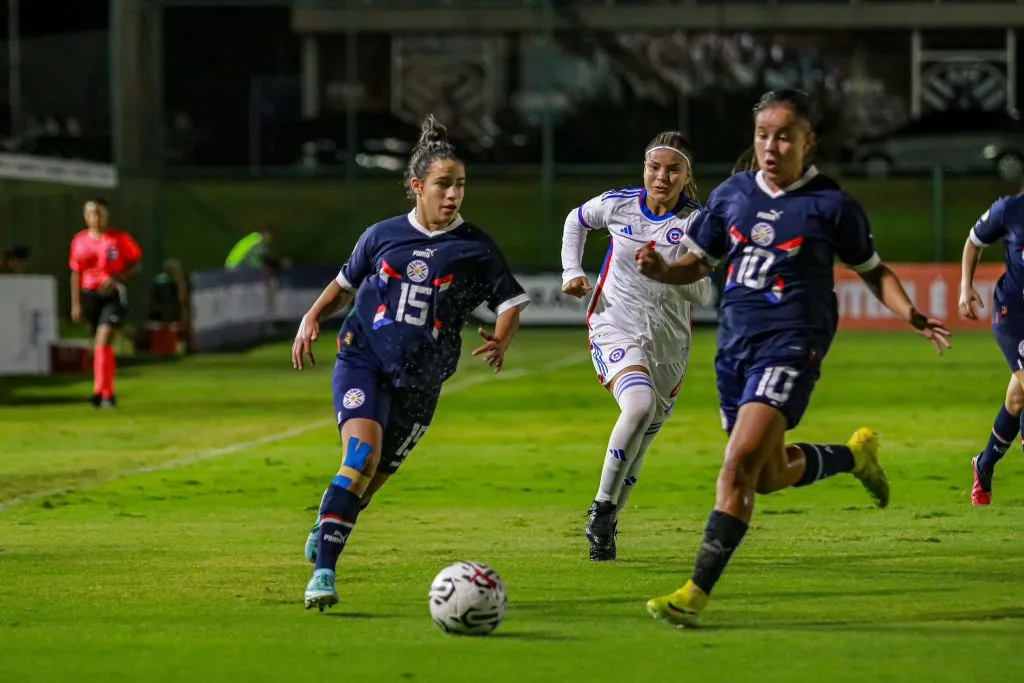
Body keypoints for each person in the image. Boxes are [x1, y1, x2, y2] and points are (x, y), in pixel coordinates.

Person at [636, 89, 951, 627]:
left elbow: (872, 270)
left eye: (784, 136)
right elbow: (699, 262)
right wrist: (664, 271)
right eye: (763, 135)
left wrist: (911, 312)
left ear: (808, 142)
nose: (771, 146)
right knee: (766, 475)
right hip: (736, 347)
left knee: (737, 466)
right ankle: (855, 457)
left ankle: (694, 593)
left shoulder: (831, 205)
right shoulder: (732, 195)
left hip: (793, 343)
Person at [291, 115, 531, 611]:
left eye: (460, 184)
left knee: (367, 485)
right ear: (418, 186)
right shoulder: (382, 235)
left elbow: (510, 301)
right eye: (444, 184)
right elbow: (344, 284)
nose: (454, 194)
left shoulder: (475, 247)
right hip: (363, 360)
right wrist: (312, 316)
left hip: (423, 381)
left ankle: (331, 519)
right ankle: (323, 576)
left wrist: (502, 339)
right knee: (361, 457)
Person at [561, 131, 716, 561]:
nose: (661, 177)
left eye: (673, 169)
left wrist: (668, 272)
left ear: (687, 175)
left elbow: (704, 295)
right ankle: (600, 508)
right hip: (614, 325)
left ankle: (607, 525)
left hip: (669, 346)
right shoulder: (618, 204)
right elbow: (576, 220)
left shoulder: (698, 224)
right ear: (644, 168)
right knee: (638, 406)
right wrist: (571, 271)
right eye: (654, 167)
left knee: (641, 440)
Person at [958, 188, 1024, 506]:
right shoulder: (1010, 210)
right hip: (1014, 316)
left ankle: (983, 466)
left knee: (1017, 398)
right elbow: (974, 241)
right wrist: (965, 286)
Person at [69, 199, 143, 408]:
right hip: (90, 295)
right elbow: (76, 272)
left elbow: (136, 264)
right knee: (100, 345)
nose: (96, 218)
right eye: (91, 214)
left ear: (106, 215)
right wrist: (76, 304)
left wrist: (118, 278)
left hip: (113, 295)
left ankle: (105, 393)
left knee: (104, 338)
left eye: (99, 213)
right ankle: (101, 391)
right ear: (85, 217)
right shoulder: (79, 241)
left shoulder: (119, 239)